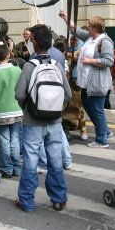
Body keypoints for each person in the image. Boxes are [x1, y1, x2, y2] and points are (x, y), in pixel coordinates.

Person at [13, 24, 71, 212]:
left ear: (35, 44)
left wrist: (28, 109)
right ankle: (58, 199)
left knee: (30, 160)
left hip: (33, 122)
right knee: (55, 160)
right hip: (55, 122)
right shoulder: (57, 66)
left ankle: (27, 201)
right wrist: (56, 108)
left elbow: (20, 94)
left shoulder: (30, 66)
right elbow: (68, 94)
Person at [59, 10, 114, 148]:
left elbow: (109, 61)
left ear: (95, 28)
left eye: (89, 25)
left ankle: (102, 140)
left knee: (96, 109)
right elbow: (75, 30)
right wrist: (66, 17)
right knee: (88, 106)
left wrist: (90, 60)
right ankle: (105, 131)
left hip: (97, 83)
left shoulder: (104, 41)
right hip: (86, 82)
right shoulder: (90, 38)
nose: (87, 27)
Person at [0, 44, 23, 178]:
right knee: (15, 139)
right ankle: (17, 168)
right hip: (17, 109)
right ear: (9, 55)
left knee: (4, 140)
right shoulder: (17, 70)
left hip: (2, 111)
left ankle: (6, 168)